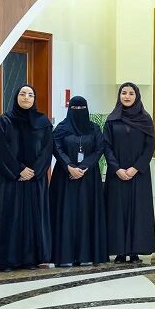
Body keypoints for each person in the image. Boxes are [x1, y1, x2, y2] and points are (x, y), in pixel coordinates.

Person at [0, 85, 53, 272]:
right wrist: (19, 170)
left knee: (33, 219)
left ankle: (31, 259)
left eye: (30, 94)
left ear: (34, 99)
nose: (26, 97)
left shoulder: (43, 122)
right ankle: (7, 260)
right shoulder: (5, 121)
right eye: (23, 94)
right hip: (12, 180)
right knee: (12, 218)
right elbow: (1, 150)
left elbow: (47, 150)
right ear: (16, 96)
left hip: (35, 180)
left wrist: (33, 171)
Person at [50, 96, 108, 266]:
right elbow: (56, 147)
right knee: (66, 213)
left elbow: (100, 148)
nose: (78, 111)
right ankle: (64, 255)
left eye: (81, 108)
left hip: (88, 178)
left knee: (86, 212)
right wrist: (69, 166)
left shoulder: (94, 128)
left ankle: (86, 255)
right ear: (69, 109)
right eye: (74, 108)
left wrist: (83, 166)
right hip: (65, 178)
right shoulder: (61, 128)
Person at [103, 82, 155, 265]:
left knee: (138, 212)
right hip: (116, 174)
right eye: (123, 93)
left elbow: (150, 146)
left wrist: (135, 168)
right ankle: (119, 252)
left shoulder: (145, 119)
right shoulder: (112, 119)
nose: (127, 96)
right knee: (117, 212)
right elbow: (106, 146)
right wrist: (117, 168)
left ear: (137, 96)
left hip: (138, 174)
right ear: (119, 96)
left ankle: (134, 252)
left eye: (131, 93)